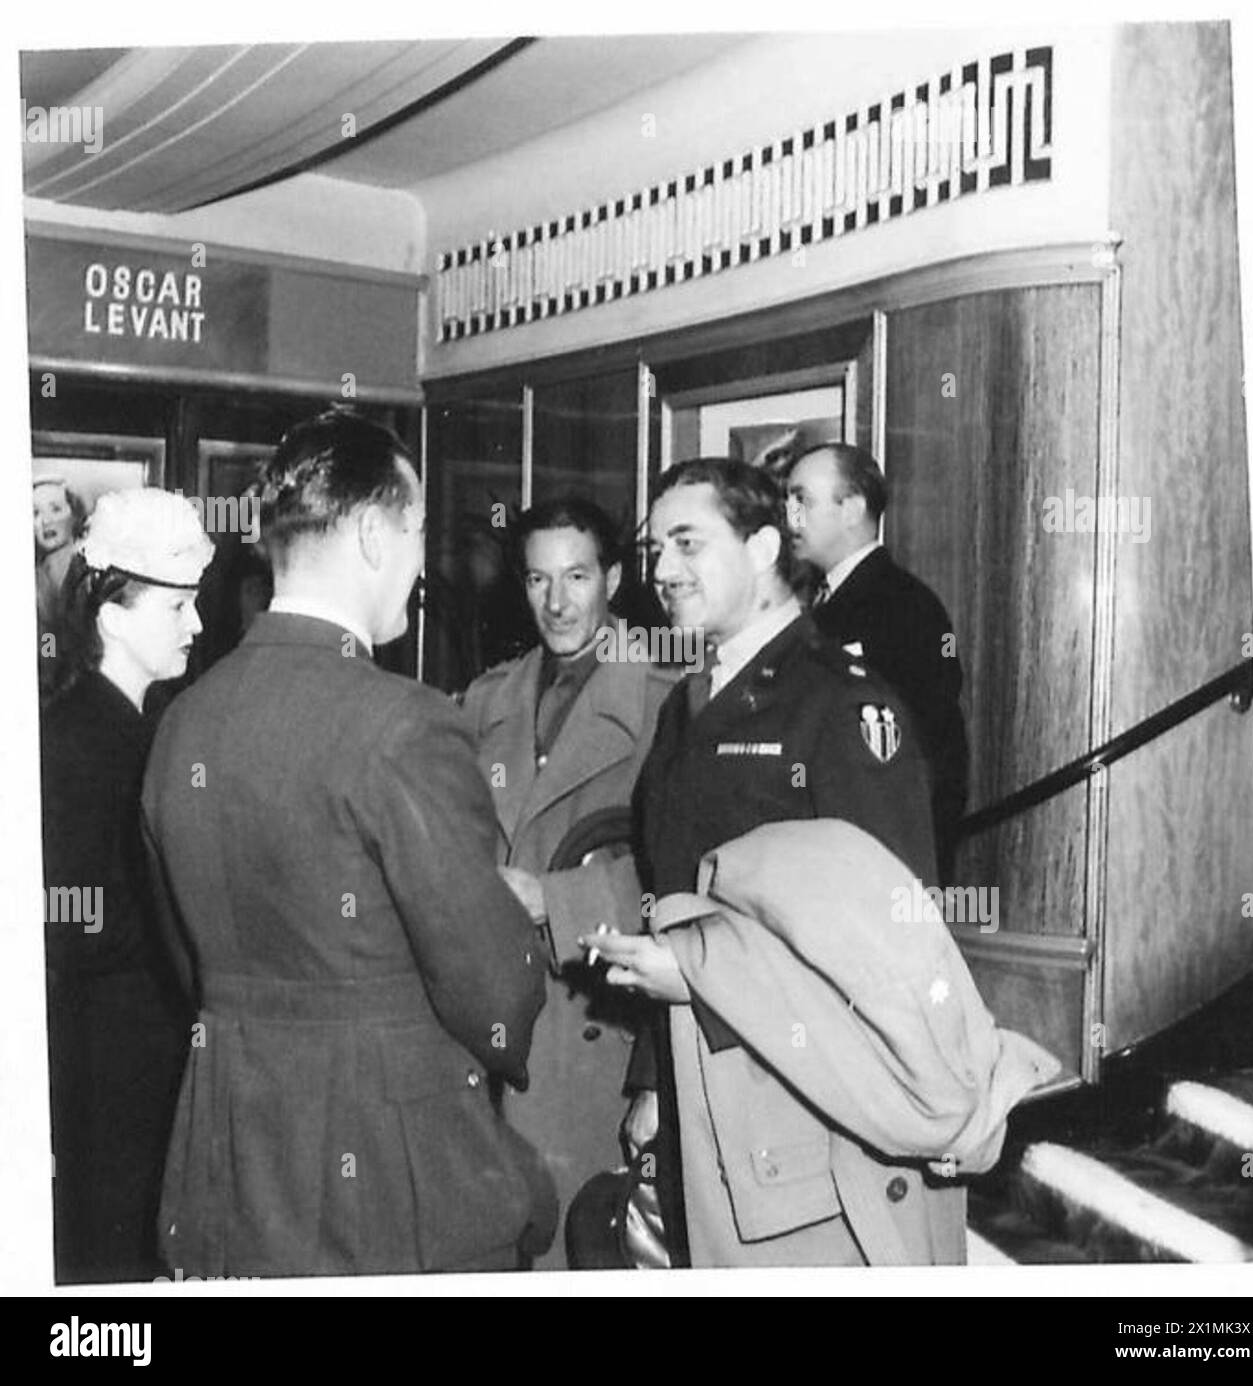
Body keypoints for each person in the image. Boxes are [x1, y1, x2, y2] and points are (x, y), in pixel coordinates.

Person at [140, 409, 554, 1277]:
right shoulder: (404, 722)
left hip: (227, 1155)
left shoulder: (183, 721)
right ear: (372, 532)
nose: (418, 564)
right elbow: (490, 990)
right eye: (414, 532)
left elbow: (189, 960)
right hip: (391, 1177)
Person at [587, 458, 941, 1267]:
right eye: (654, 550)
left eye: (687, 544)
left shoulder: (842, 703)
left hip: (802, 1109)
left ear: (762, 548)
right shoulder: (691, 702)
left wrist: (705, 984)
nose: (662, 572)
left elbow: (890, 943)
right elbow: (674, 893)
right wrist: (654, 1071)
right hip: (697, 1079)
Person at [460, 496, 677, 1268]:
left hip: (598, 1030)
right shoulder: (486, 699)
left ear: (612, 578)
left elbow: (686, 879)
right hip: (490, 1032)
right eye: (537, 579)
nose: (556, 602)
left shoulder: (669, 701)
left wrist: (552, 901)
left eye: (577, 576)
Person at [40, 487, 213, 1283]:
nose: (198, 625)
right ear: (113, 613)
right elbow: (68, 921)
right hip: (109, 1065)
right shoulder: (75, 737)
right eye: (177, 608)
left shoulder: (149, 722)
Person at [785, 442, 969, 878]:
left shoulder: (903, 605)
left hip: (878, 857)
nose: (790, 516)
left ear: (852, 509)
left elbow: (926, 747)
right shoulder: (822, 599)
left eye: (802, 500)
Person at [34, 475, 88, 698]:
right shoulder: (34, 581)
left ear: (74, 515)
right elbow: (49, 641)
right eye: (35, 513)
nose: (46, 521)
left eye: (55, 509)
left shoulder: (92, 569)